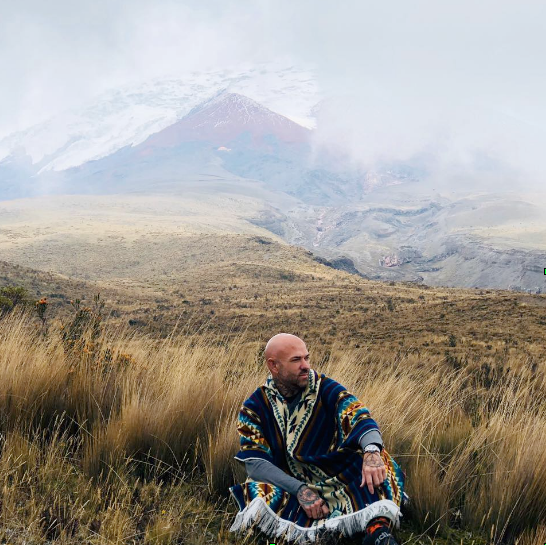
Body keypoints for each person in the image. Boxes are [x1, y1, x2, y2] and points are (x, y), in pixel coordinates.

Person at [229, 333, 406, 545]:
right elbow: (255, 464)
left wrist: (371, 451)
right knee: (259, 492)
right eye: (296, 360)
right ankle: (306, 537)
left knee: (380, 463)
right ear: (273, 366)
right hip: (290, 484)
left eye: (306, 358)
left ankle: (377, 532)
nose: (305, 366)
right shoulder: (254, 407)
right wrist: (300, 490)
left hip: (335, 476)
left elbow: (358, 416)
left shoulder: (325, 388)